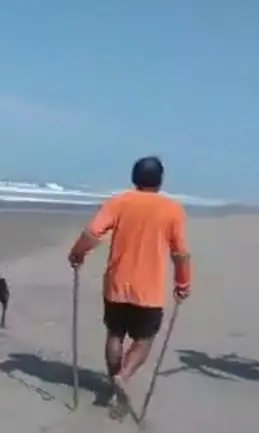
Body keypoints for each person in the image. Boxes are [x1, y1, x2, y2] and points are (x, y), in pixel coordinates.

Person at [67, 156, 192, 416]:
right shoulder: (172, 210)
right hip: (150, 290)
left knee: (115, 334)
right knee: (144, 340)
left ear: (134, 178)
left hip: (116, 283)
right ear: (160, 181)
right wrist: (183, 282)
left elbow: (93, 233)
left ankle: (115, 381)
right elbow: (180, 253)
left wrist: (77, 253)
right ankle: (123, 377)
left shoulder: (119, 202)